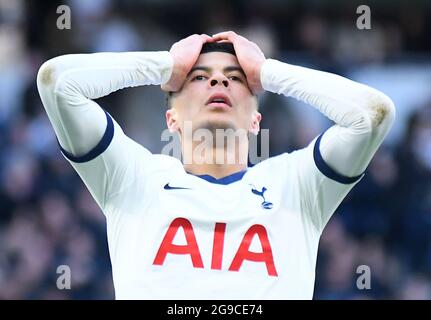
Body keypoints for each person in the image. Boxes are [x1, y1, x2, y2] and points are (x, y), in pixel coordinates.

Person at [37, 31, 395, 299]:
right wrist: (166, 64)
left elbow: (372, 115)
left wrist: (268, 72)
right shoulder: (134, 178)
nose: (219, 80)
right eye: (199, 76)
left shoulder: (296, 186)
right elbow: (57, 83)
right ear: (171, 119)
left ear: (256, 121)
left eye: (236, 77)